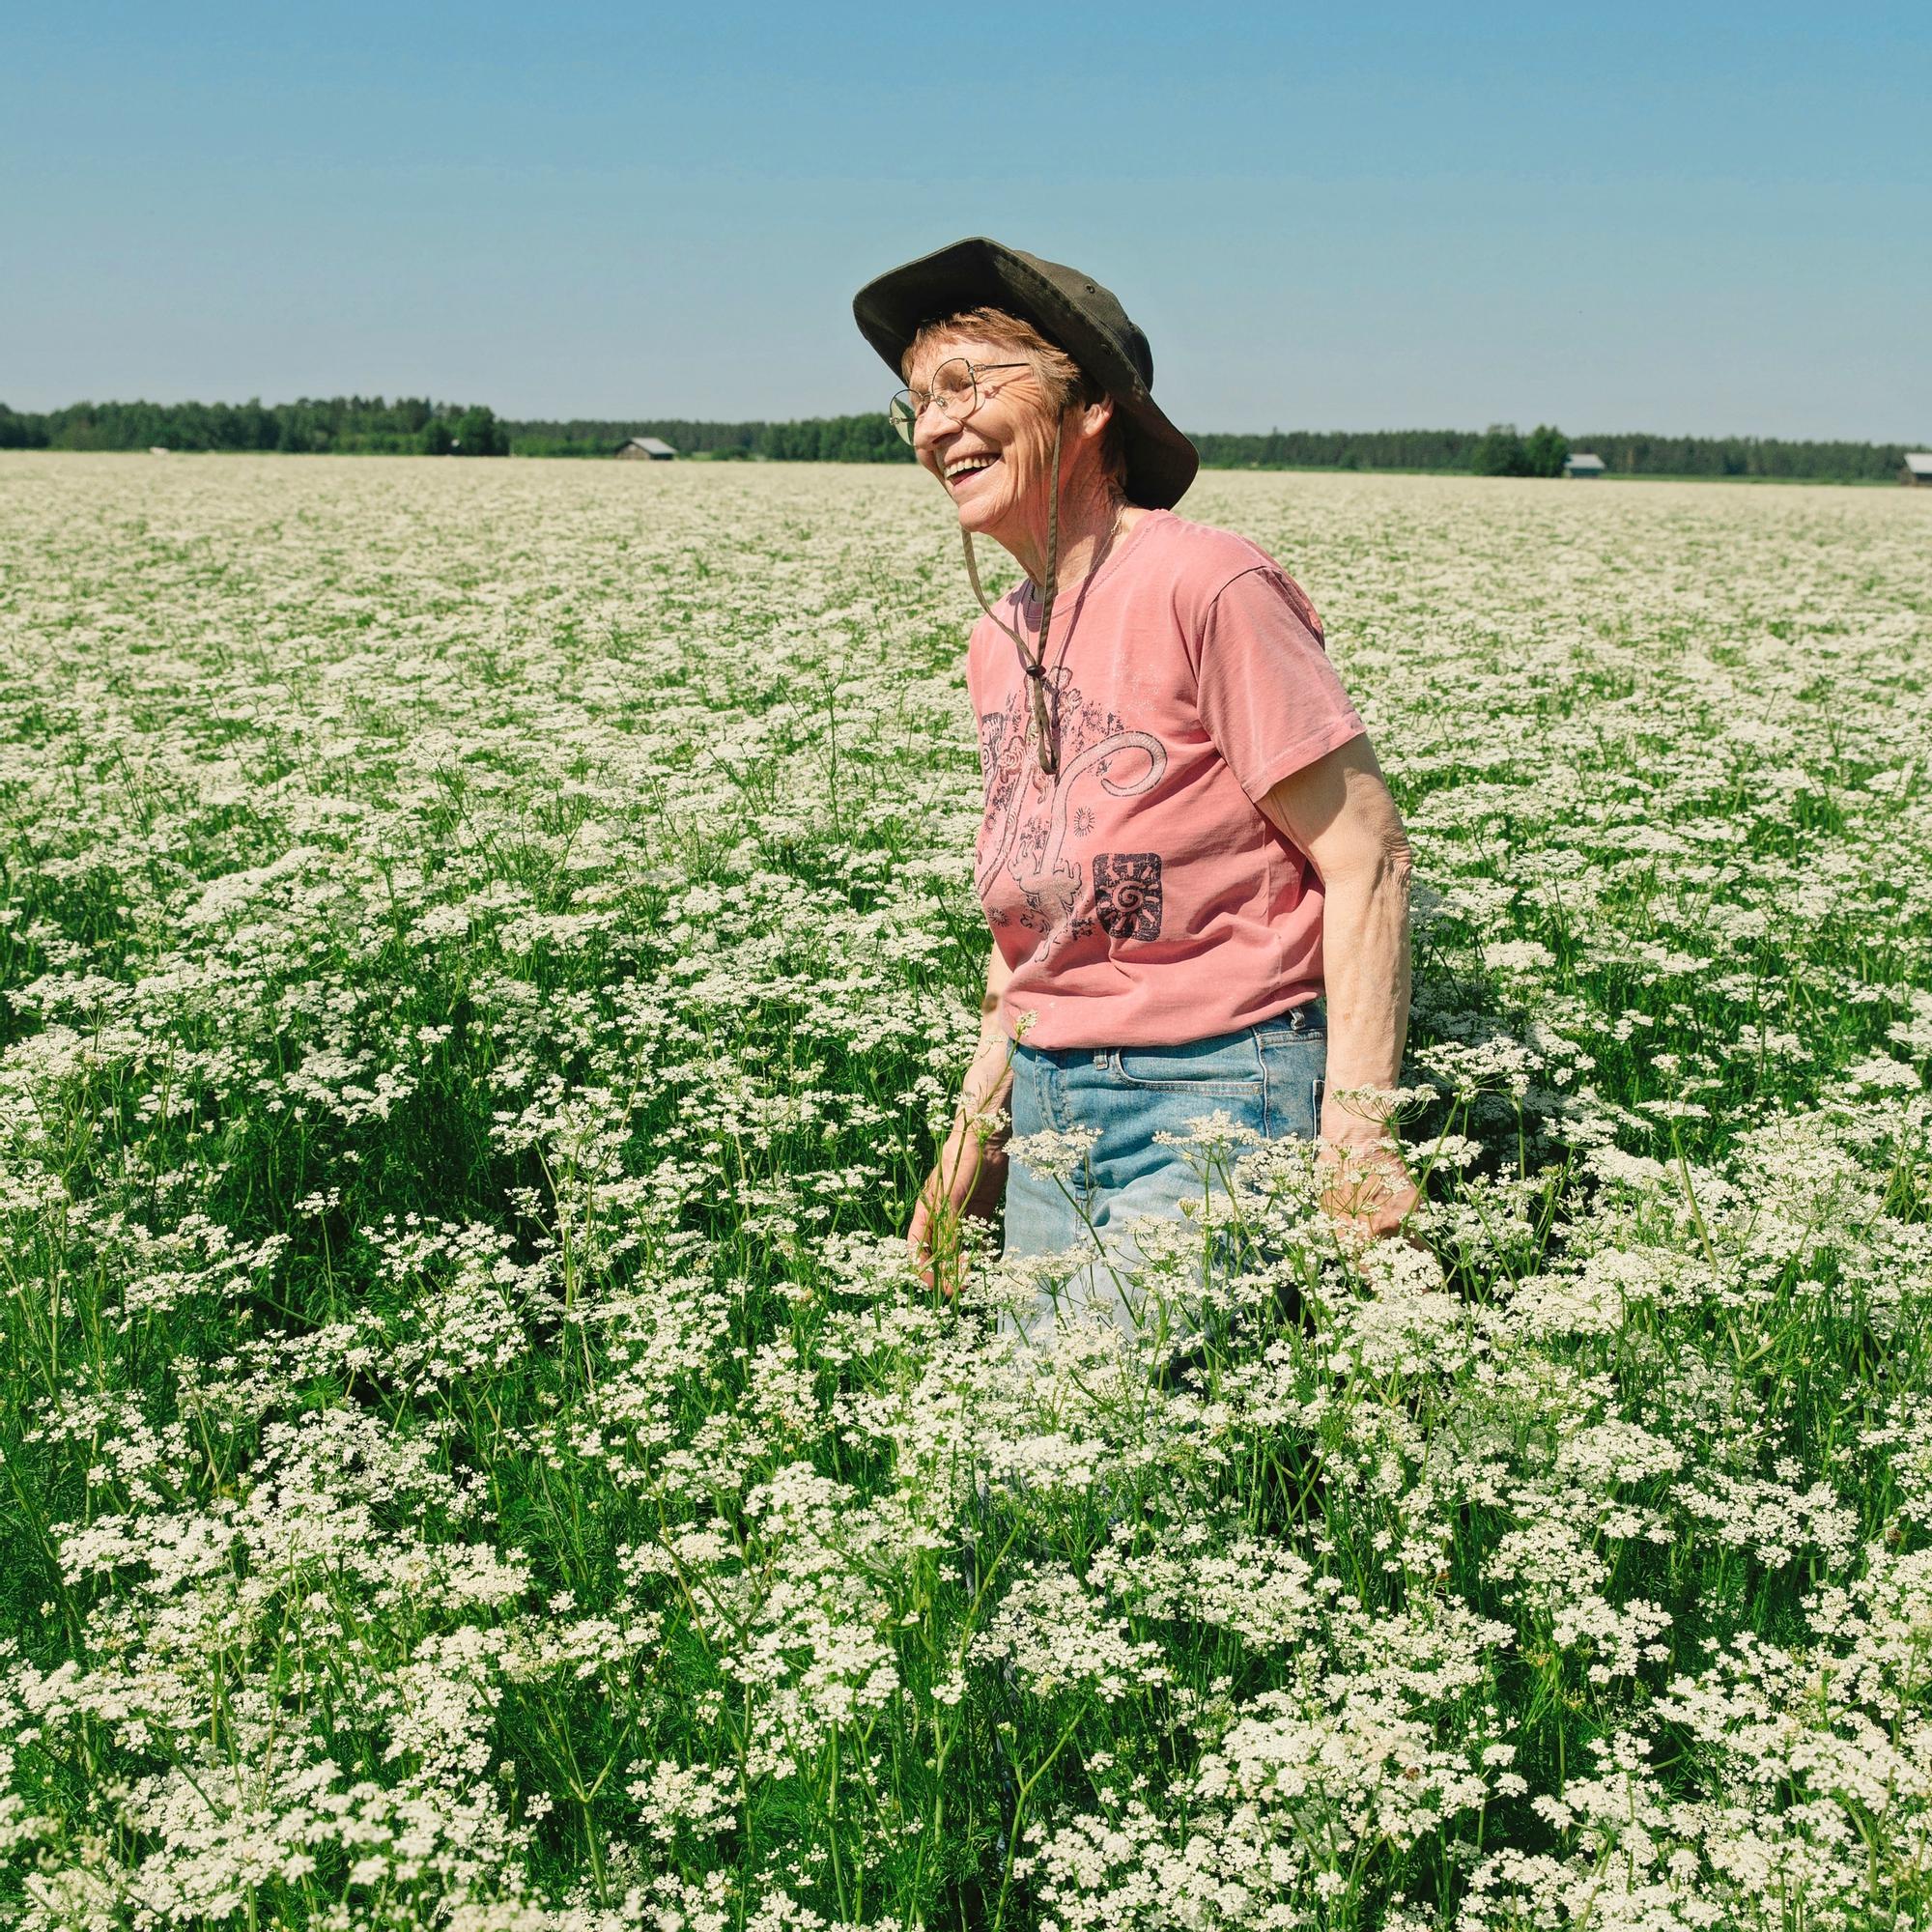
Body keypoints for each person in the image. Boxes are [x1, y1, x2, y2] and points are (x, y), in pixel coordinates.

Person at [852, 239, 1416, 1339]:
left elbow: (1368, 858)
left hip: (1217, 1097)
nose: (932, 427)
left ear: (1092, 404)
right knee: (1059, 1485)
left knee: (1061, 1432)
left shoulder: (1206, 583)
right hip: (1055, 1109)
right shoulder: (995, 637)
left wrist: (1357, 1137)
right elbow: (1035, 940)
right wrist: (968, 1150)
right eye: (914, 403)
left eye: (966, 386)